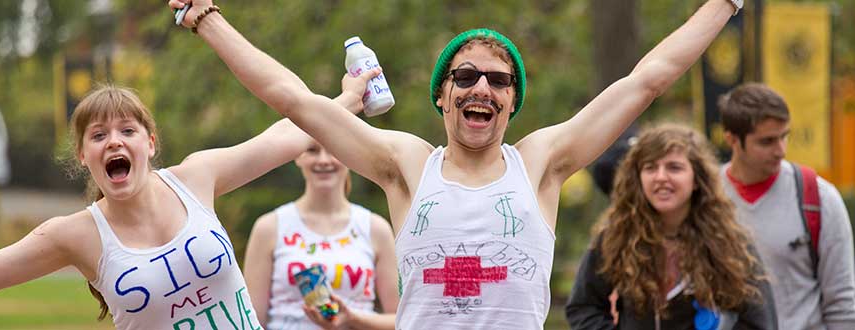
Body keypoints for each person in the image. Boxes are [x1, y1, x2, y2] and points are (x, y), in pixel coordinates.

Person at [169, 0, 742, 327]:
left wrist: (725, 3)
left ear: (513, 100)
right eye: (465, 77)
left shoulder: (540, 163)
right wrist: (205, 16)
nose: (482, 89)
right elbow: (290, 98)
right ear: (442, 95)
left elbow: (648, 80)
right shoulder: (405, 163)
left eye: (499, 80)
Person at [0, 69, 377, 328]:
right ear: (84, 156)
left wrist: (347, 101)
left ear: (150, 144)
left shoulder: (196, 177)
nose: (114, 140)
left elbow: (281, 138)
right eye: (98, 136)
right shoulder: (74, 234)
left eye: (127, 131)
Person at [565, 124, 777, 329]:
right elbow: (584, 307)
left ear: (696, 179)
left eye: (674, 168)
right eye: (650, 167)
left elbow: (760, 319)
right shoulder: (616, 236)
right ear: (638, 178)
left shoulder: (728, 240)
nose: (661, 177)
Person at [718, 83, 855, 329]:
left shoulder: (817, 198)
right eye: (767, 141)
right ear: (732, 140)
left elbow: (843, 302)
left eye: (784, 136)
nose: (781, 150)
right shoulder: (707, 196)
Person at [243, 141, 397, 329]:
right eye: (312, 150)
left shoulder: (376, 228)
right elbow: (250, 321)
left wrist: (353, 318)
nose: (324, 160)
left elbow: (401, 320)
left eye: (334, 150)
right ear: (297, 156)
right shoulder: (268, 227)